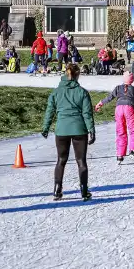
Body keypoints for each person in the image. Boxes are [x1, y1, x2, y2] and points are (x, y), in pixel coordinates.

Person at [41, 63, 95, 201]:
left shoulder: (56, 92)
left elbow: (50, 111)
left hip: (61, 130)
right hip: (79, 129)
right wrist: (91, 130)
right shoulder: (82, 92)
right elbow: (87, 114)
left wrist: (45, 128)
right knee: (81, 161)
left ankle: (57, 190)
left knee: (61, 160)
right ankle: (84, 190)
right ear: (77, 75)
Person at [96, 72, 134, 164]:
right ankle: (133, 150)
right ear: (132, 80)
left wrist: (100, 103)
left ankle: (120, 155)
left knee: (120, 131)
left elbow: (109, 97)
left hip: (118, 109)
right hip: (128, 108)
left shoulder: (118, 88)